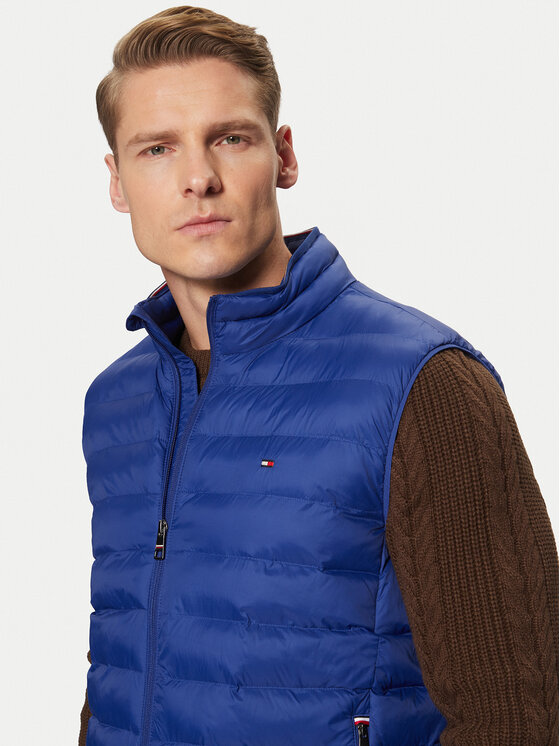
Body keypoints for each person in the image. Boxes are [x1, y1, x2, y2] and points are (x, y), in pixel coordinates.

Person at [79, 6, 558, 745]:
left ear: (283, 156)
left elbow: (513, 717)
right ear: (117, 181)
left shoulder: (422, 384)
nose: (198, 179)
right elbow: (120, 666)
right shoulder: (117, 401)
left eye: (229, 138)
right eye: (157, 149)